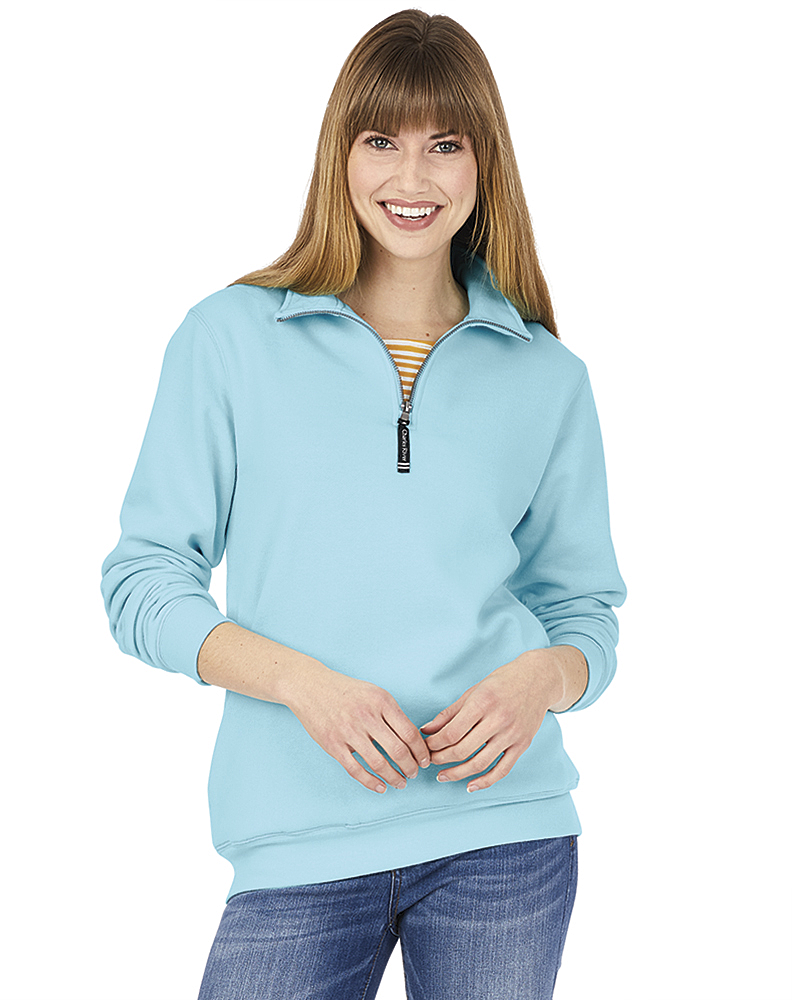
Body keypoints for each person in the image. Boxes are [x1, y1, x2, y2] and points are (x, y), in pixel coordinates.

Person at [100, 9, 627, 999]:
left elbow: (583, 611)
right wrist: (303, 685)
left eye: (445, 144)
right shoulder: (231, 338)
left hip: (504, 833)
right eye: (381, 140)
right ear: (338, 155)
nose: (411, 177)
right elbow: (144, 581)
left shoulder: (548, 377)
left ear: (485, 163)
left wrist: (543, 680)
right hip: (295, 840)